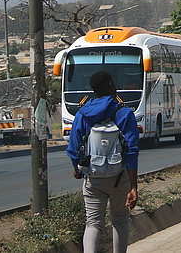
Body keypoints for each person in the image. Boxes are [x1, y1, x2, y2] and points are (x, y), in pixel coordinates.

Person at [66, 70, 140, 253]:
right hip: (119, 178)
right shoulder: (124, 114)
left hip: (93, 178)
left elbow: (74, 146)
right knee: (120, 220)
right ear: (110, 85)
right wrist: (133, 186)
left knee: (93, 223)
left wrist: (77, 169)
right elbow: (131, 152)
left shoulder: (83, 114)